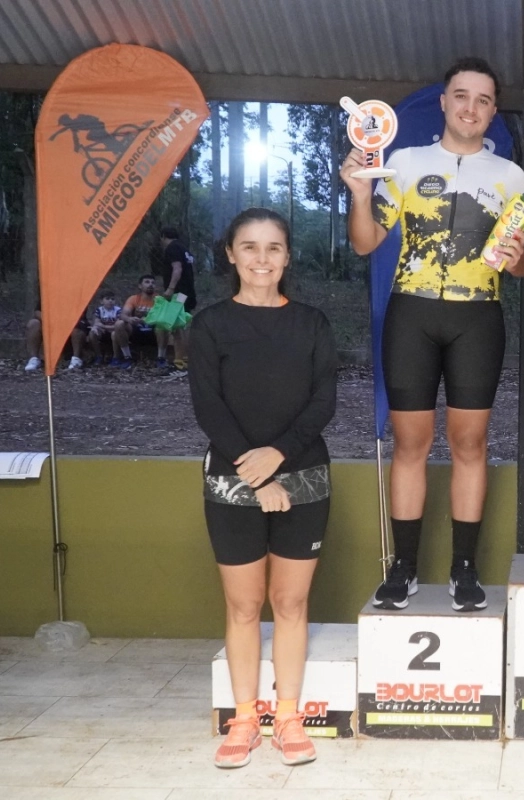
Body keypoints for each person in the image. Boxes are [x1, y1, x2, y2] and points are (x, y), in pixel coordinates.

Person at [341, 57, 524, 613]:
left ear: (493, 112)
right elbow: (363, 242)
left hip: (478, 318)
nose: (470, 107)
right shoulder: (403, 162)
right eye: (461, 96)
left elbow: (523, 268)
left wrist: (521, 258)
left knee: (471, 444)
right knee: (411, 445)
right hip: (412, 316)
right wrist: (358, 193)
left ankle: (464, 569)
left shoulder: (512, 178)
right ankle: (401, 569)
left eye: (482, 100)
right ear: (444, 102)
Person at [188, 207, 337, 769]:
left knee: (291, 602)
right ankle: (245, 718)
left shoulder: (312, 324)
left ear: (288, 257)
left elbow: (323, 402)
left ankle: (290, 716)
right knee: (245, 604)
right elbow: (209, 408)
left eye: (273, 248)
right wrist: (259, 476)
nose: (261, 259)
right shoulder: (210, 325)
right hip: (232, 479)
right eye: (249, 247)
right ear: (230, 254)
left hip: (304, 475)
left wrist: (278, 462)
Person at [160, 225, 196, 371]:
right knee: (182, 325)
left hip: (179, 294)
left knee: (177, 326)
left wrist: (170, 288)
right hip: (188, 292)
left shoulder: (172, 248)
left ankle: (180, 361)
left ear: (163, 236)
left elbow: (177, 268)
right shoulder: (184, 248)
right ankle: (185, 359)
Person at [116, 274, 168, 367]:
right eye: (147, 282)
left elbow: (165, 317)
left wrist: (149, 320)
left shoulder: (160, 299)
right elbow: (123, 314)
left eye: (153, 283)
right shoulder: (133, 299)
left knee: (162, 326)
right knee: (119, 324)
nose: (150, 285)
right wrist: (129, 319)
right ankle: (127, 357)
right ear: (140, 286)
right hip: (136, 330)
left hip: (154, 331)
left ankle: (161, 358)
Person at [24, 305, 87, 372]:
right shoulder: (49, 295)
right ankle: (34, 359)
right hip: (50, 322)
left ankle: (76, 359)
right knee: (33, 323)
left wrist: (61, 321)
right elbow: (37, 311)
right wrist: (48, 320)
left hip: (70, 321)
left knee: (78, 325)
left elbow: (81, 312)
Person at [87, 289, 125, 364]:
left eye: (112, 299)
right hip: (103, 332)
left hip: (114, 332)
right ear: (101, 301)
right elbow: (97, 322)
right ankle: (99, 356)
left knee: (115, 333)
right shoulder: (99, 310)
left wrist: (104, 326)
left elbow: (118, 325)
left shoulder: (118, 310)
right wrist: (98, 326)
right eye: (107, 299)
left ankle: (116, 357)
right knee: (92, 334)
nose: (110, 301)